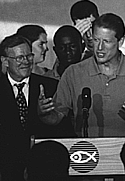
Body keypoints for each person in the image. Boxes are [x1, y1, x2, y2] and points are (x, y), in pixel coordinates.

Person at [38, 13, 125, 137]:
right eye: (96, 40)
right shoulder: (73, 73)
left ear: (121, 41)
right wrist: (44, 113)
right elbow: (55, 118)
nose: (100, 47)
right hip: (87, 152)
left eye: (106, 41)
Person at [0, 34, 75, 181]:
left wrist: (46, 116)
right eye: (19, 58)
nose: (26, 62)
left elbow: (64, 130)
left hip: (44, 170)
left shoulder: (50, 87)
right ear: (5, 61)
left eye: (29, 56)